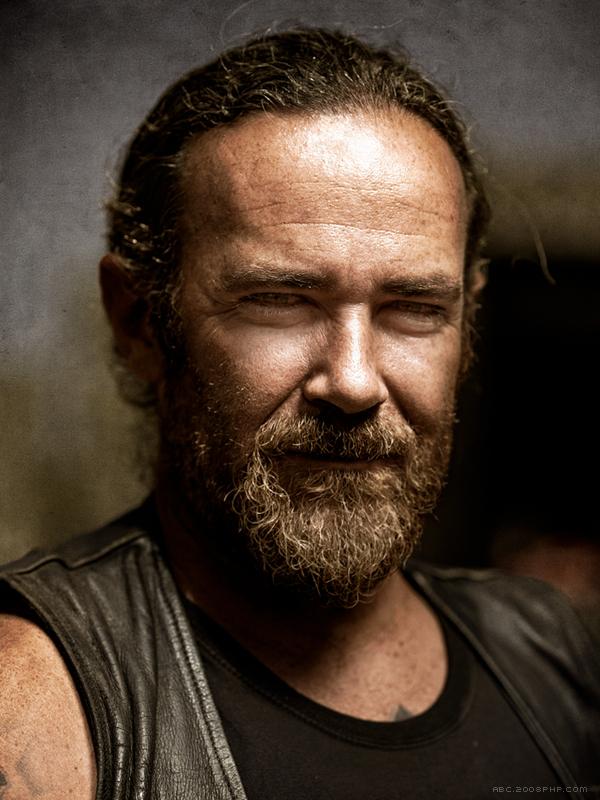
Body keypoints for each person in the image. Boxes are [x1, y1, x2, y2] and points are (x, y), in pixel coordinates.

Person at [0, 28, 598, 800]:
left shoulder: (550, 654)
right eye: (280, 300)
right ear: (140, 322)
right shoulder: (31, 701)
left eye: (414, 308)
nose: (353, 382)